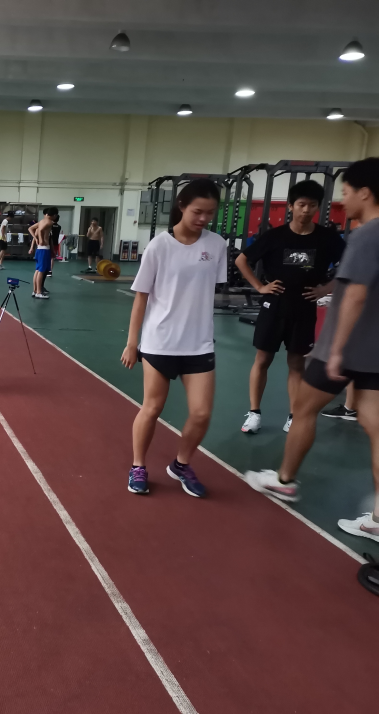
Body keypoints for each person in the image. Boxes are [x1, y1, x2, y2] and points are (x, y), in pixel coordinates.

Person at [245, 157, 379, 543]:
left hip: (346, 348)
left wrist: (335, 350)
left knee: (303, 409)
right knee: (375, 425)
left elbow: (354, 295)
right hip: (374, 352)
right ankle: (377, 519)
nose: (344, 200)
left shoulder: (365, 236)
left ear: (365, 193)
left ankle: (285, 480)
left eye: (347, 192)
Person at [121, 179, 226, 498]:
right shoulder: (159, 246)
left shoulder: (217, 245)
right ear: (181, 206)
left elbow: (206, 291)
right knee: (152, 408)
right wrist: (132, 342)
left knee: (202, 413)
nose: (203, 218)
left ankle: (181, 464)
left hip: (198, 344)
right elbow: (141, 297)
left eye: (210, 213)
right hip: (160, 342)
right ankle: (138, 466)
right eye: (197, 211)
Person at [236, 180, 345, 434]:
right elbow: (242, 260)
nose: (306, 210)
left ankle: (293, 416)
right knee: (262, 359)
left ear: (318, 207)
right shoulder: (275, 236)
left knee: (296, 364)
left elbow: (350, 266)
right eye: (301, 204)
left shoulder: (327, 238)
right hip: (274, 305)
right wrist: (259, 286)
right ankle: (254, 413)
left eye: (312, 205)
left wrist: (325, 289)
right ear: (291, 206)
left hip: (304, 308)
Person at [29, 208, 58, 298]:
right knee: (41, 271)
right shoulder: (49, 222)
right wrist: (41, 240)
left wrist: (36, 238)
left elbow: (30, 228)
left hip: (40, 249)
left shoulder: (41, 221)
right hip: (44, 248)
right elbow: (41, 230)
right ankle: (38, 292)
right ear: (54, 215)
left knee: (38, 270)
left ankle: (35, 291)